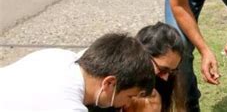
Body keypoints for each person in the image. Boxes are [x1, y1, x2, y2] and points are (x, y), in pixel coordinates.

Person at [0, 33, 155, 111]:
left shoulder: (58, 55)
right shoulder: (68, 106)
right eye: (129, 96)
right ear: (109, 83)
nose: (127, 104)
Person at [89, 22, 185, 112]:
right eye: (162, 69)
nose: (165, 77)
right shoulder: (107, 90)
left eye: (172, 71)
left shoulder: (163, 83)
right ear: (142, 55)